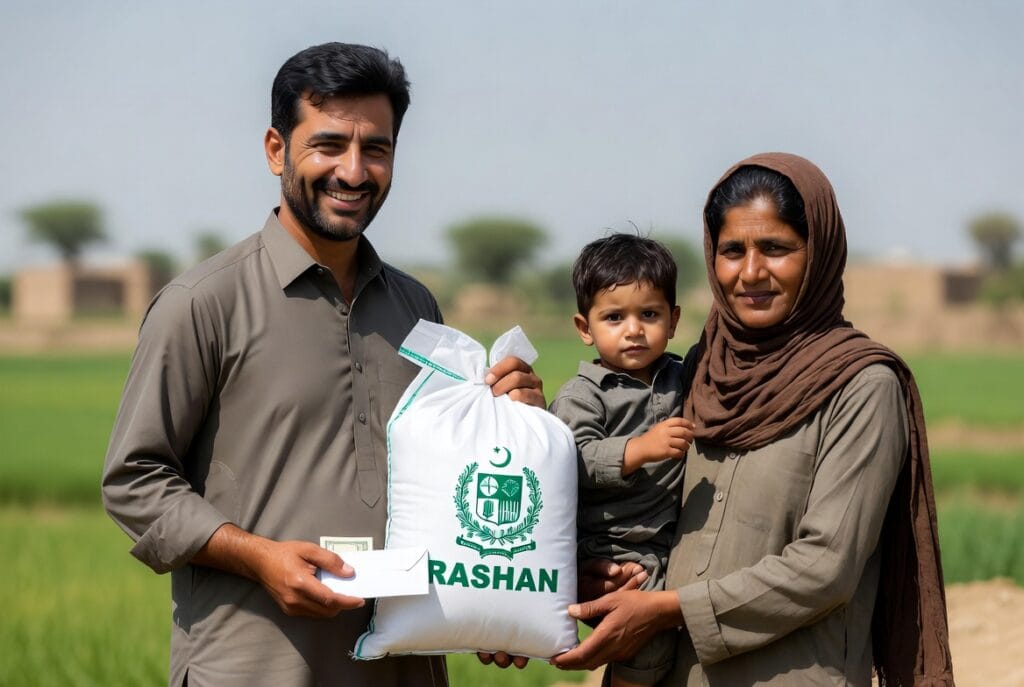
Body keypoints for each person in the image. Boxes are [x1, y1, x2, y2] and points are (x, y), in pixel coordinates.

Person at [101, 42, 542, 687]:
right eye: (328, 145)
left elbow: (451, 476)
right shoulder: (202, 303)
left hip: (403, 666)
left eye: (378, 149)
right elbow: (134, 481)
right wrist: (258, 558)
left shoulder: (415, 306)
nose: (354, 172)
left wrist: (510, 417)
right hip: (253, 667)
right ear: (277, 150)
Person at [551, 153, 954, 686]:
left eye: (777, 249)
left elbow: (825, 566)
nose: (752, 272)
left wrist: (670, 609)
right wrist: (606, 573)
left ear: (820, 254)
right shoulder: (698, 371)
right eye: (732, 251)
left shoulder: (860, 386)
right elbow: (620, 490)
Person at [549, 233, 695, 687]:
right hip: (614, 548)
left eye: (648, 314)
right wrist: (639, 448)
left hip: (671, 538)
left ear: (672, 321)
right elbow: (573, 460)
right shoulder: (585, 394)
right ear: (584, 327)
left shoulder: (682, 377)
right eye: (614, 317)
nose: (633, 329)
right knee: (646, 648)